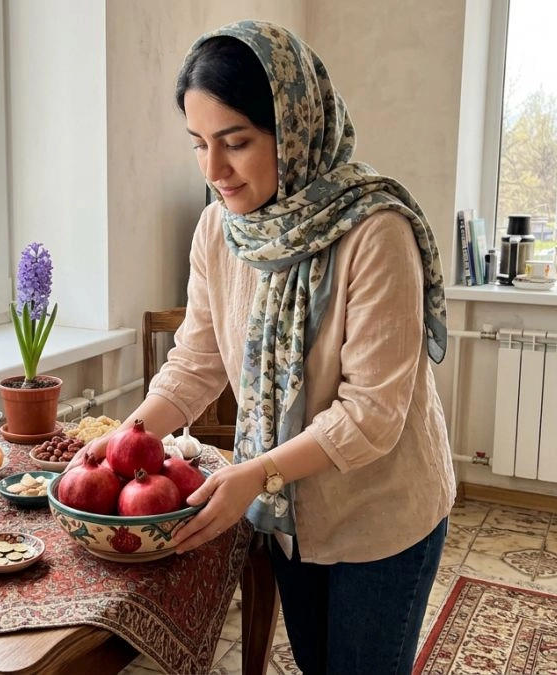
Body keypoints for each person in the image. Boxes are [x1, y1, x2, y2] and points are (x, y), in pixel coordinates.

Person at [80, 20, 455, 675]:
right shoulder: (218, 231)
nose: (214, 170)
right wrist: (128, 437)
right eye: (198, 145)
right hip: (291, 517)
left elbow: (372, 413)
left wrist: (256, 473)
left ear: (296, 126)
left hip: (381, 517)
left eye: (236, 142)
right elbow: (195, 360)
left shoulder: (375, 232)